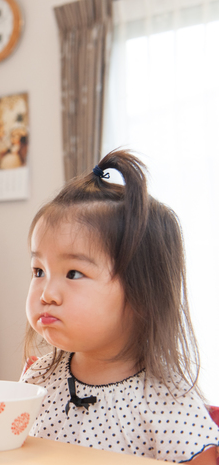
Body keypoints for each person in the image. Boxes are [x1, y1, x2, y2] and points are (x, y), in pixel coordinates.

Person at [20, 150, 219, 463]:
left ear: (142, 293)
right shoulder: (38, 377)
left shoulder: (166, 399)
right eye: (38, 271)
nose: (46, 293)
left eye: (73, 273)